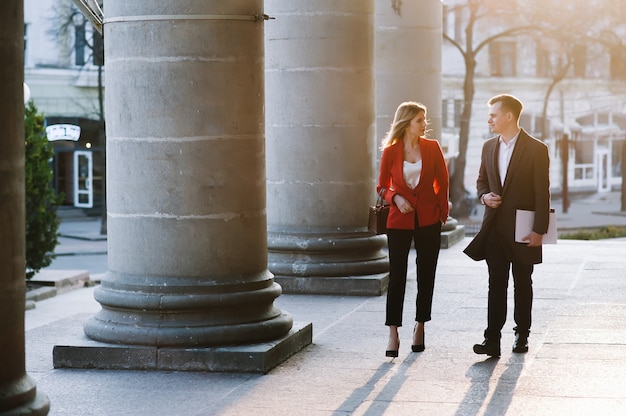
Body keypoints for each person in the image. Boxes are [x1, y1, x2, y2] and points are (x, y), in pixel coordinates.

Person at [464, 94, 550, 357]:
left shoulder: (537, 149)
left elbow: (541, 192)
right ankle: (492, 340)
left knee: (523, 282)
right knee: (496, 283)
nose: (489, 119)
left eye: (493, 114)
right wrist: (484, 196)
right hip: (494, 228)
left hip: (524, 227)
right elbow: (481, 182)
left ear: (509, 116)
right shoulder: (488, 147)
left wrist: (539, 230)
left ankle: (522, 335)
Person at [377, 101, 449, 358]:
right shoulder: (391, 152)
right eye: (420, 119)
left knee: (426, 275)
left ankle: (420, 325)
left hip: (429, 220)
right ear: (407, 122)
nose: (424, 124)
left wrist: (442, 213)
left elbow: (443, 180)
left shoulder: (432, 148)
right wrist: (395, 197)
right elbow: (382, 187)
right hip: (398, 221)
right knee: (397, 277)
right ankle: (393, 332)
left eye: (424, 119)